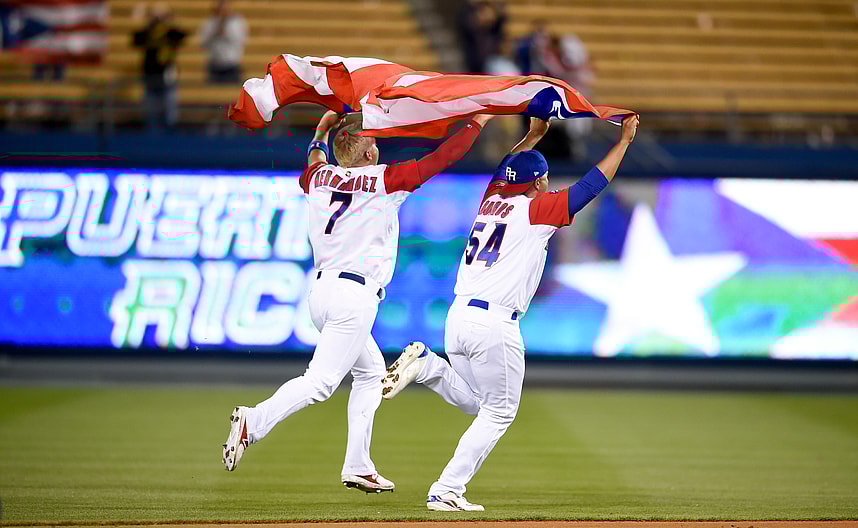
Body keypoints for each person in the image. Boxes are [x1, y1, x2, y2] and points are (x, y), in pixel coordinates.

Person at [222, 111, 495, 493]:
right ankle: (254, 421)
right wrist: (477, 122)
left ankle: (357, 465)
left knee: (370, 373)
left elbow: (315, 157)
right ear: (366, 153)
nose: (379, 146)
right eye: (374, 141)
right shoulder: (383, 180)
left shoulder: (319, 178)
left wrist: (319, 130)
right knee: (320, 383)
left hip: (321, 293)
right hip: (354, 296)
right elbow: (443, 157)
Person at [381, 114, 640, 511]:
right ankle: (447, 488)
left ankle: (428, 367)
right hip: (493, 322)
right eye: (545, 179)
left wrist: (534, 134)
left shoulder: (492, 202)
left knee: (475, 403)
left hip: (459, 317)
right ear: (538, 182)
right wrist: (623, 142)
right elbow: (590, 185)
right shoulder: (536, 210)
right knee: (499, 412)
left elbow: (506, 170)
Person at [131, 2, 186, 132]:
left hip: (167, 74)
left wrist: (169, 19)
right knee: (150, 107)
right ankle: (152, 130)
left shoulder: (169, 31)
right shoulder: (148, 31)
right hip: (150, 73)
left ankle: (169, 129)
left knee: (169, 107)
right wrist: (141, 20)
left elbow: (181, 35)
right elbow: (136, 40)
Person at [198, 0, 247, 84]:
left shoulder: (237, 22)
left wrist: (226, 30)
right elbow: (203, 42)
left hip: (231, 65)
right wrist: (215, 31)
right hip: (214, 65)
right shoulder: (210, 23)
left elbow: (240, 40)